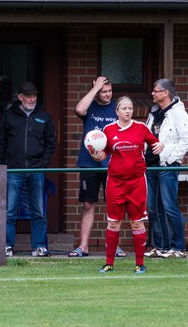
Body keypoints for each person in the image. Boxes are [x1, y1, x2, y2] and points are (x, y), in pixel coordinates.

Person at [90, 96, 164, 273]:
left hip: (137, 182)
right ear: (117, 111)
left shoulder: (141, 128)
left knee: (137, 223)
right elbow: (103, 154)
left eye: (130, 108)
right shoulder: (108, 130)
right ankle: (109, 263)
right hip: (115, 182)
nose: (128, 111)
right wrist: (96, 155)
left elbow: (156, 143)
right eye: (124, 108)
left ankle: (140, 264)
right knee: (113, 223)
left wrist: (160, 145)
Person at [0, 81, 56, 257]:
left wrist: (43, 163)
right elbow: (0, 143)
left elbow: (51, 143)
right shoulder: (8, 116)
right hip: (13, 171)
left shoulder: (44, 116)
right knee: (9, 211)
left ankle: (39, 246)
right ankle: (6, 246)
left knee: (38, 211)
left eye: (34, 95)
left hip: (37, 170)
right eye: (28, 96)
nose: (32, 99)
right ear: (20, 97)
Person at [68, 76, 127, 258]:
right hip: (89, 163)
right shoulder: (90, 107)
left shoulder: (117, 108)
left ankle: (114, 246)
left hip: (113, 164)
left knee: (114, 205)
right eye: (104, 91)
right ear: (96, 91)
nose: (108, 94)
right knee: (88, 204)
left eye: (109, 91)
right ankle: (83, 246)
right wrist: (95, 89)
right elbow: (79, 109)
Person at [144, 79, 188, 259]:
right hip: (151, 165)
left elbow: (187, 140)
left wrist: (170, 155)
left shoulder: (179, 113)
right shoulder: (154, 111)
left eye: (156, 91)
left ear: (166, 93)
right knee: (153, 207)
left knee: (169, 206)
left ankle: (178, 248)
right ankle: (162, 247)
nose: (152, 93)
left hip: (167, 165)